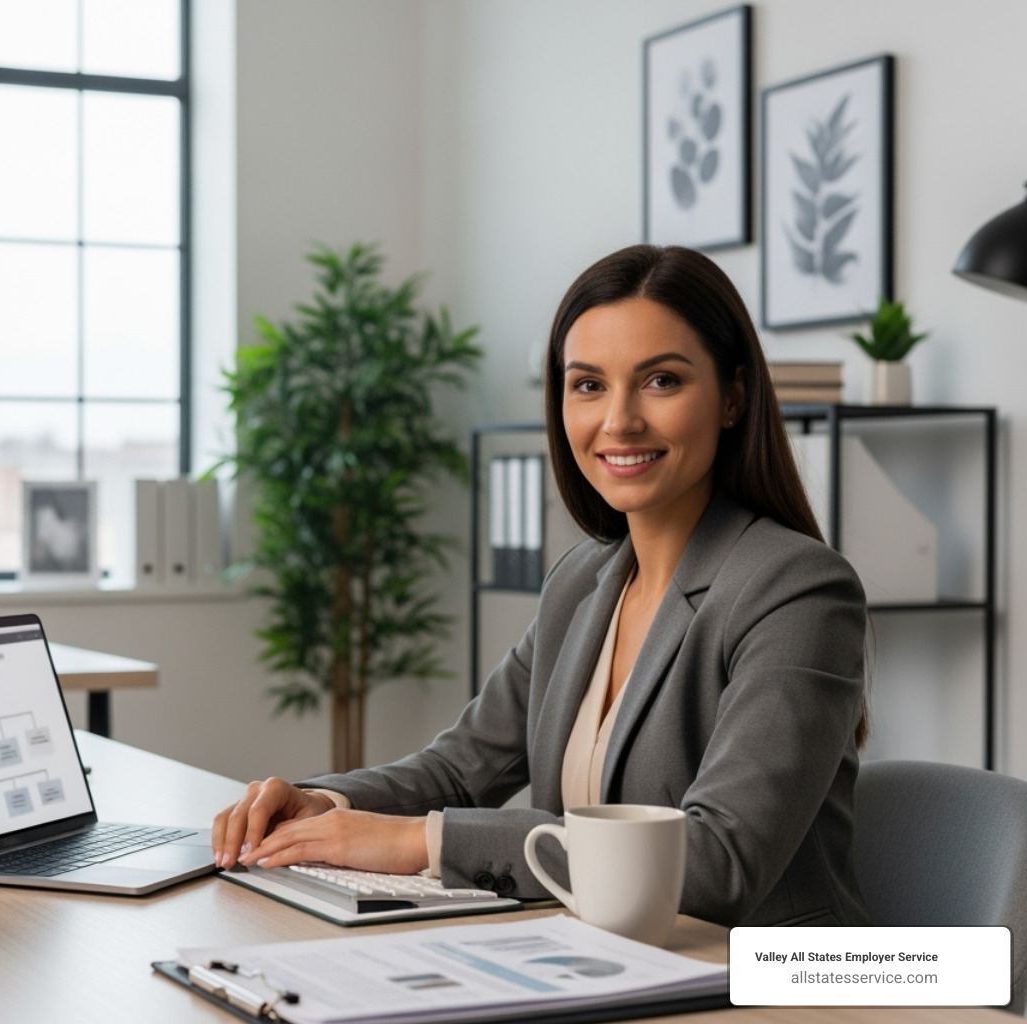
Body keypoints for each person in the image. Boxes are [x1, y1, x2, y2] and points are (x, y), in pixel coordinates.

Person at [211, 244, 870, 928]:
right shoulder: (582, 581)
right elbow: (460, 769)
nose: (619, 421)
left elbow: (718, 862)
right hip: (605, 963)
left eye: (661, 381)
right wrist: (324, 804)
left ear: (732, 397)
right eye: (588, 385)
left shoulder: (797, 590)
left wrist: (416, 842)